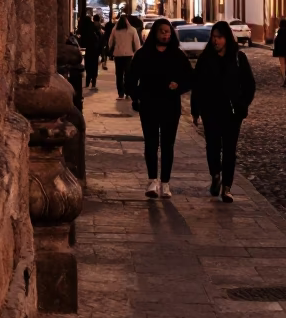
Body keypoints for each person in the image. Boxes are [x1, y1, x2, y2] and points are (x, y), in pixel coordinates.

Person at [126, 19, 193, 198]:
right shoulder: (143, 54)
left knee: (168, 144)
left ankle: (165, 182)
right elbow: (131, 78)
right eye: (162, 31)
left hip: (170, 104)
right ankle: (152, 180)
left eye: (168, 32)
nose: (165, 35)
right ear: (155, 32)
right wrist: (137, 96)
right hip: (149, 103)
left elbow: (189, 78)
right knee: (151, 143)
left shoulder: (177, 55)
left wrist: (177, 86)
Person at [192, 21, 255, 203]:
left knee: (229, 150)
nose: (216, 41)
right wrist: (196, 110)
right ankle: (215, 175)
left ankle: (227, 187)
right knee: (212, 147)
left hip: (232, 112)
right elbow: (198, 86)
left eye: (219, 37)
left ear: (226, 38)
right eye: (213, 37)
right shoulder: (205, 59)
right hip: (210, 111)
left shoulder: (238, 58)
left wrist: (243, 106)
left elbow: (249, 85)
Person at [108, 13, 140, 97]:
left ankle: (120, 92)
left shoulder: (115, 30)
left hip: (117, 55)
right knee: (127, 73)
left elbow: (110, 42)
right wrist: (137, 53)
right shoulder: (132, 30)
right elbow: (137, 43)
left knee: (119, 74)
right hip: (128, 55)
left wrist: (111, 48)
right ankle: (127, 91)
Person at [79, 12, 103, 89]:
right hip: (95, 50)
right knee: (94, 66)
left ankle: (87, 82)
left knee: (88, 66)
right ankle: (93, 83)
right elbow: (100, 39)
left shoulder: (85, 28)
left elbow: (83, 40)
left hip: (88, 50)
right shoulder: (95, 28)